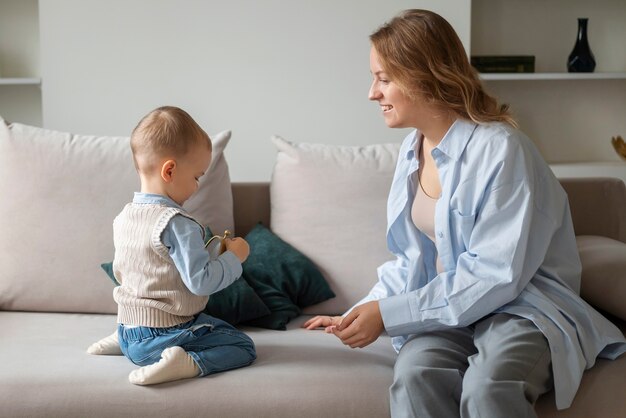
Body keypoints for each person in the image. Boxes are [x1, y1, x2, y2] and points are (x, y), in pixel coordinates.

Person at [304, 9, 626, 418]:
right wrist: (360, 312)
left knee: (488, 386)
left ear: (424, 76)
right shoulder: (411, 151)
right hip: (451, 310)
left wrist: (388, 315)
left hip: (520, 305)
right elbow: (411, 261)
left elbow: (496, 276)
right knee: (416, 375)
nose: (372, 93)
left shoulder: (502, 149)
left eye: (384, 79)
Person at [87, 106, 256, 386]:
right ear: (170, 170)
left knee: (208, 323)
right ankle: (186, 362)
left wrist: (213, 252)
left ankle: (122, 339)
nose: (197, 186)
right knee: (242, 345)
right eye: (197, 177)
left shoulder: (125, 217)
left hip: (130, 331)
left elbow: (146, 271)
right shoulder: (176, 223)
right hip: (163, 336)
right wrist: (235, 258)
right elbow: (200, 283)